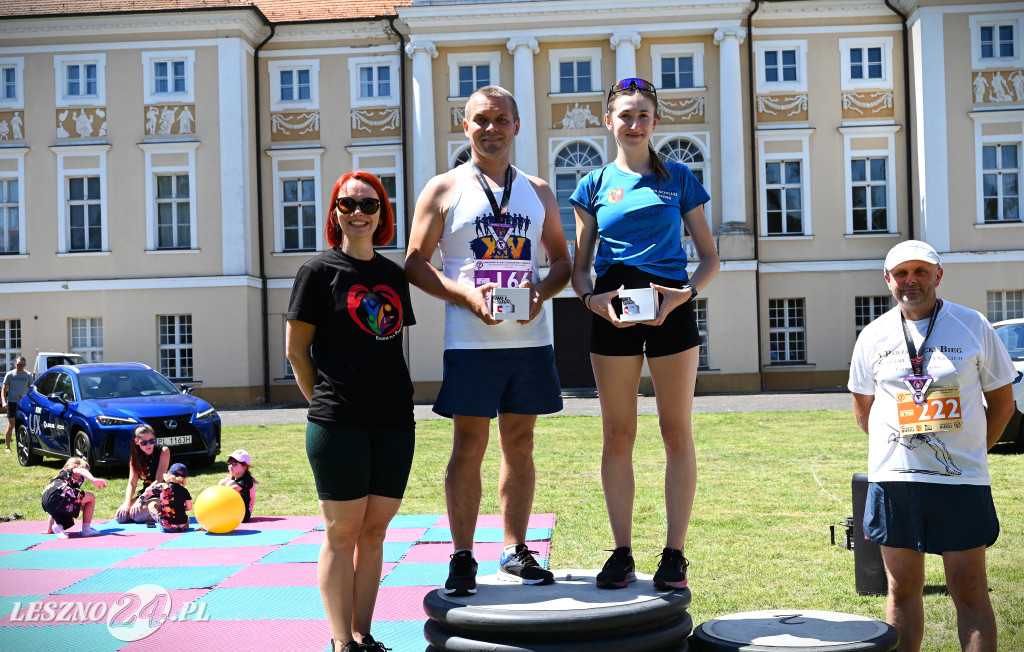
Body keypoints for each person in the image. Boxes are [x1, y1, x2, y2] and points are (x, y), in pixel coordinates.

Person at [405, 85, 572, 596]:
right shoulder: (443, 188)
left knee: (520, 445)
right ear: (465, 126)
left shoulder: (540, 190)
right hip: (471, 342)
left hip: (528, 340)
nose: (491, 128)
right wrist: (464, 295)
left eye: (501, 119)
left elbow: (562, 262)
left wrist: (540, 294)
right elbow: (414, 262)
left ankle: (515, 548)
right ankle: (461, 556)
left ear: (517, 126)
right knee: (469, 447)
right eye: (481, 120)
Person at [568, 77, 719, 591]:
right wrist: (592, 301)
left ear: (656, 122)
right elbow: (579, 269)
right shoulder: (591, 185)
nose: (634, 124)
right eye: (624, 115)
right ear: (608, 121)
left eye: (643, 115)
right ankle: (622, 552)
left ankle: (674, 554)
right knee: (618, 435)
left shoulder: (679, 178)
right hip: (611, 310)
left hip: (671, 306)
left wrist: (684, 295)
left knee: (676, 433)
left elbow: (710, 257)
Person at [848, 240, 1016, 652]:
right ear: (887, 280)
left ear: (938, 276)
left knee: (970, 589)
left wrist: (973, 452)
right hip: (895, 484)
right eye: (902, 273)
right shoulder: (873, 335)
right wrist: (901, 454)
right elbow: (863, 408)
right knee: (901, 588)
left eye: (921, 272)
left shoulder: (972, 325)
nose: (911, 281)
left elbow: (1003, 403)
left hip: (960, 482)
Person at [287, 170, 416, 652]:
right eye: (348, 205)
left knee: (376, 531)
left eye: (369, 204)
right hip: (338, 422)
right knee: (342, 533)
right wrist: (324, 401)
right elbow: (298, 352)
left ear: (382, 213)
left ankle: (365, 634)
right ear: (335, 213)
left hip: (395, 422)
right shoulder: (317, 273)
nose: (358, 213)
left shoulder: (392, 276)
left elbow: (390, 345)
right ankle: (342, 642)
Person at [115, 424, 170, 524]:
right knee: (120, 517)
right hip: (145, 494)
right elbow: (132, 483)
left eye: (151, 441)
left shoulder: (163, 451)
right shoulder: (134, 458)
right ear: (137, 442)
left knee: (137, 516)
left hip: (161, 493)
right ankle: (156, 512)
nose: (148, 445)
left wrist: (139, 501)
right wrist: (126, 503)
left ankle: (167, 510)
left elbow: (158, 480)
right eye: (144, 442)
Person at [42, 457, 107, 538]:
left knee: (66, 518)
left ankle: (58, 527)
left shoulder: (60, 478)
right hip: (62, 492)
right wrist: (93, 480)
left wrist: (49, 529)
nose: (83, 478)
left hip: (46, 500)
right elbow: (81, 470)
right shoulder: (71, 471)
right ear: (75, 467)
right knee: (91, 498)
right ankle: (86, 529)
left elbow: (53, 508)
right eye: (83, 475)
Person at [143, 462, 192, 533]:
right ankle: (182, 523)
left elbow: (147, 490)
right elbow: (189, 507)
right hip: (183, 525)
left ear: (168, 474)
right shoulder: (184, 491)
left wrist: (156, 485)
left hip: (167, 526)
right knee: (184, 516)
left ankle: (165, 521)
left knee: (151, 504)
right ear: (184, 478)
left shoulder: (162, 487)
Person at [218, 448, 258, 523]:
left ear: (244, 467)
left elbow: (229, 491)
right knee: (222, 482)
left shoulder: (247, 479)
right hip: (233, 509)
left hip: (243, 514)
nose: (230, 466)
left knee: (229, 484)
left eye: (234, 464)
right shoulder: (232, 476)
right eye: (229, 463)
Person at [2, 356, 32, 453]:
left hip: (24, 403)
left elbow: (31, 389)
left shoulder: (28, 375)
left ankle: (25, 445)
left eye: (22, 365)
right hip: (12, 402)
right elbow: (4, 389)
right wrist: (4, 402)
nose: (20, 366)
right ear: (15, 364)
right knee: (11, 424)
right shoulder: (10, 374)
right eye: (18, 364)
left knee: (25, 425)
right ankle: (7, 447)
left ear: (25, 365)